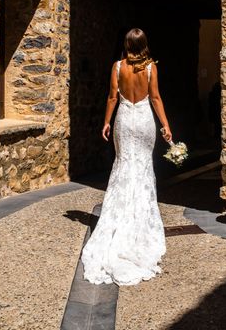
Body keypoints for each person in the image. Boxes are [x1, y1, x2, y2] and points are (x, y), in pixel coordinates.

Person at [81, 28, 172, 286]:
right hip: (143, 121)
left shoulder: (117, 66)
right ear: (144, 44)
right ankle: (140, 222)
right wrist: (165, 125)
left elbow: (112, 97)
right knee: (142, 169)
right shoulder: (152, 68)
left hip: (124, 120)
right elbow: (155, 98)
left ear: (126, 44)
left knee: (123, 166)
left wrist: (106, 122)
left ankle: (118, 219)